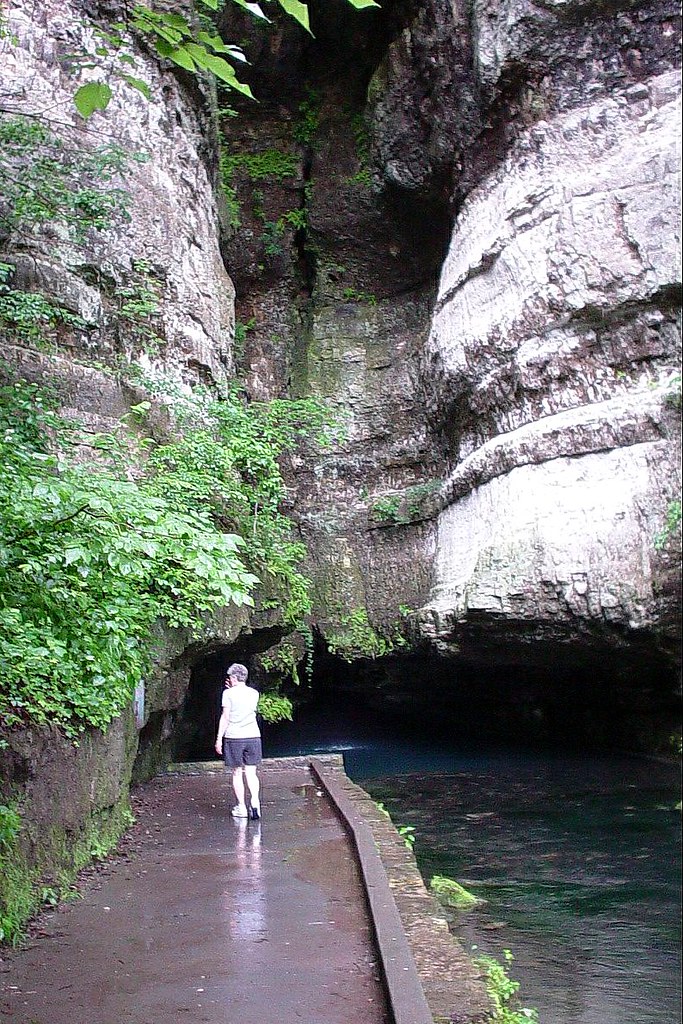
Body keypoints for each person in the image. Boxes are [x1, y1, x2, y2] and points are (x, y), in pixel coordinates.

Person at [214, 662, 262, 820]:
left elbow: (226, 717)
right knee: (251, 772)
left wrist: (219, 739)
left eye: (230, 677)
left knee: (236, 772)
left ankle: (241, 807)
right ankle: (255, 802)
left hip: (234, 737)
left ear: (234, 677)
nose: (229, 679)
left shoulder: (228, 694)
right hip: (253, 735)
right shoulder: (254, 693)